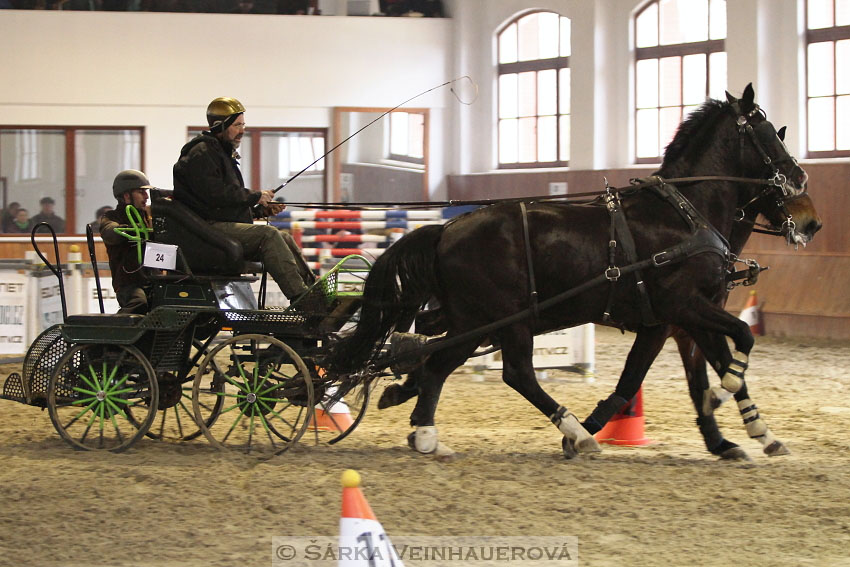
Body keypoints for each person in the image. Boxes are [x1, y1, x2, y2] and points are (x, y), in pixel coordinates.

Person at [173, 96, 316, 303]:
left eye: (243, 125)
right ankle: (301, 299)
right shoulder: (201, 153)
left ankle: (312, 291)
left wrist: (259, 211)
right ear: (219, 126)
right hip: (205, 231)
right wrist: (256, 196)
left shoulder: (219, 153)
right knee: (268, 235)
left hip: (215, 225)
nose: (242, 130)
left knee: (282, 237)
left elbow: (224, 204)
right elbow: (215, 195)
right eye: (237, 125)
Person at [100, 169, 152, 314]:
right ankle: (114, 334)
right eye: (141, 192)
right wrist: (129, 230)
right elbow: (110, 231)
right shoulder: (111, 217)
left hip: (155, 280)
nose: (146, 196)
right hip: (129, 284)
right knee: (138, 302)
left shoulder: (149, 216)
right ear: (126, 195)